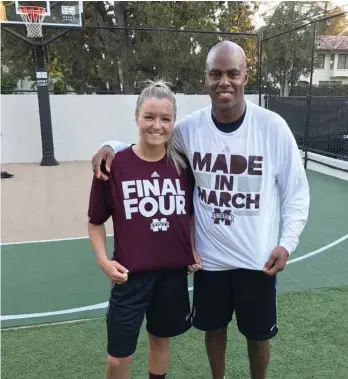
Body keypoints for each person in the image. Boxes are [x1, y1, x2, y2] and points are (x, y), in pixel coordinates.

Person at [91, 41, 310, 379]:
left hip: (258, 259)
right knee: (214, 330)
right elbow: (150, 139)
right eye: (216, 74)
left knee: (258, 335)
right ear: (206, 79)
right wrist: (111, 145)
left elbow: (296, 192)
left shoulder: (272, 127)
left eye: (232, 73)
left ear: (245, 76)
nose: (225, 81)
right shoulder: (191, 129)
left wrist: (287, 243)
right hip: (210, 261)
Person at [88, 80, 202, 379]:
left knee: (160, 341)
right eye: (149, 116)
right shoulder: (114, 166)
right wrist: (102, 261)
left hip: (172, 277)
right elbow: (95, 221)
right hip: (129, 279)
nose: (157, 125)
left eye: (165, 119)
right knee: (117, 359)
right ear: (136, 117)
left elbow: (188, 214)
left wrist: (190, 247)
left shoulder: (182, 167)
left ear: (173, 122)